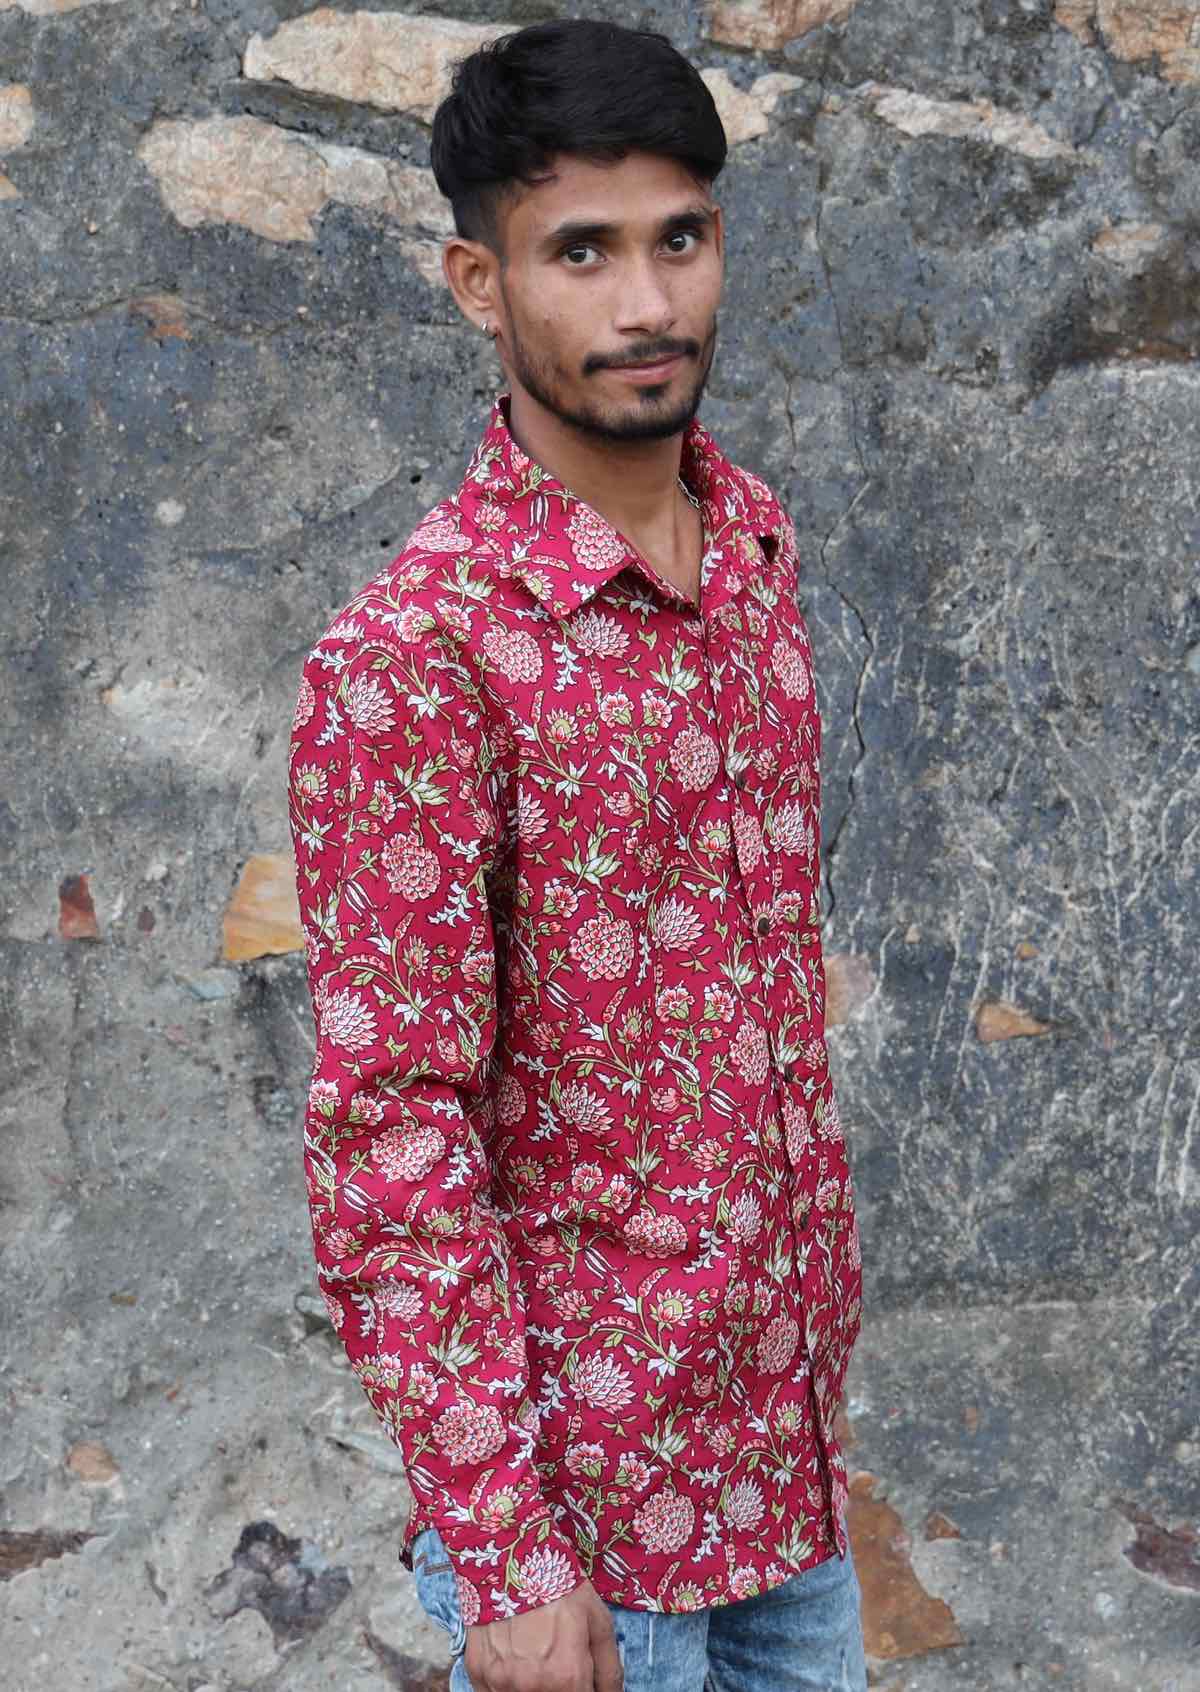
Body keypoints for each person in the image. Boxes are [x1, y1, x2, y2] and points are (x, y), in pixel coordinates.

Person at [286, 17, 866, 1692]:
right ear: (483, 285)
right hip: (591, 1549)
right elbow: (391, 1135)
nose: (645, 306)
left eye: (679, 238)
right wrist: (509, 1551)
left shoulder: (750, 547)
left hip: (790, 1481)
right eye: (581, 253)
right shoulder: (417, 657)